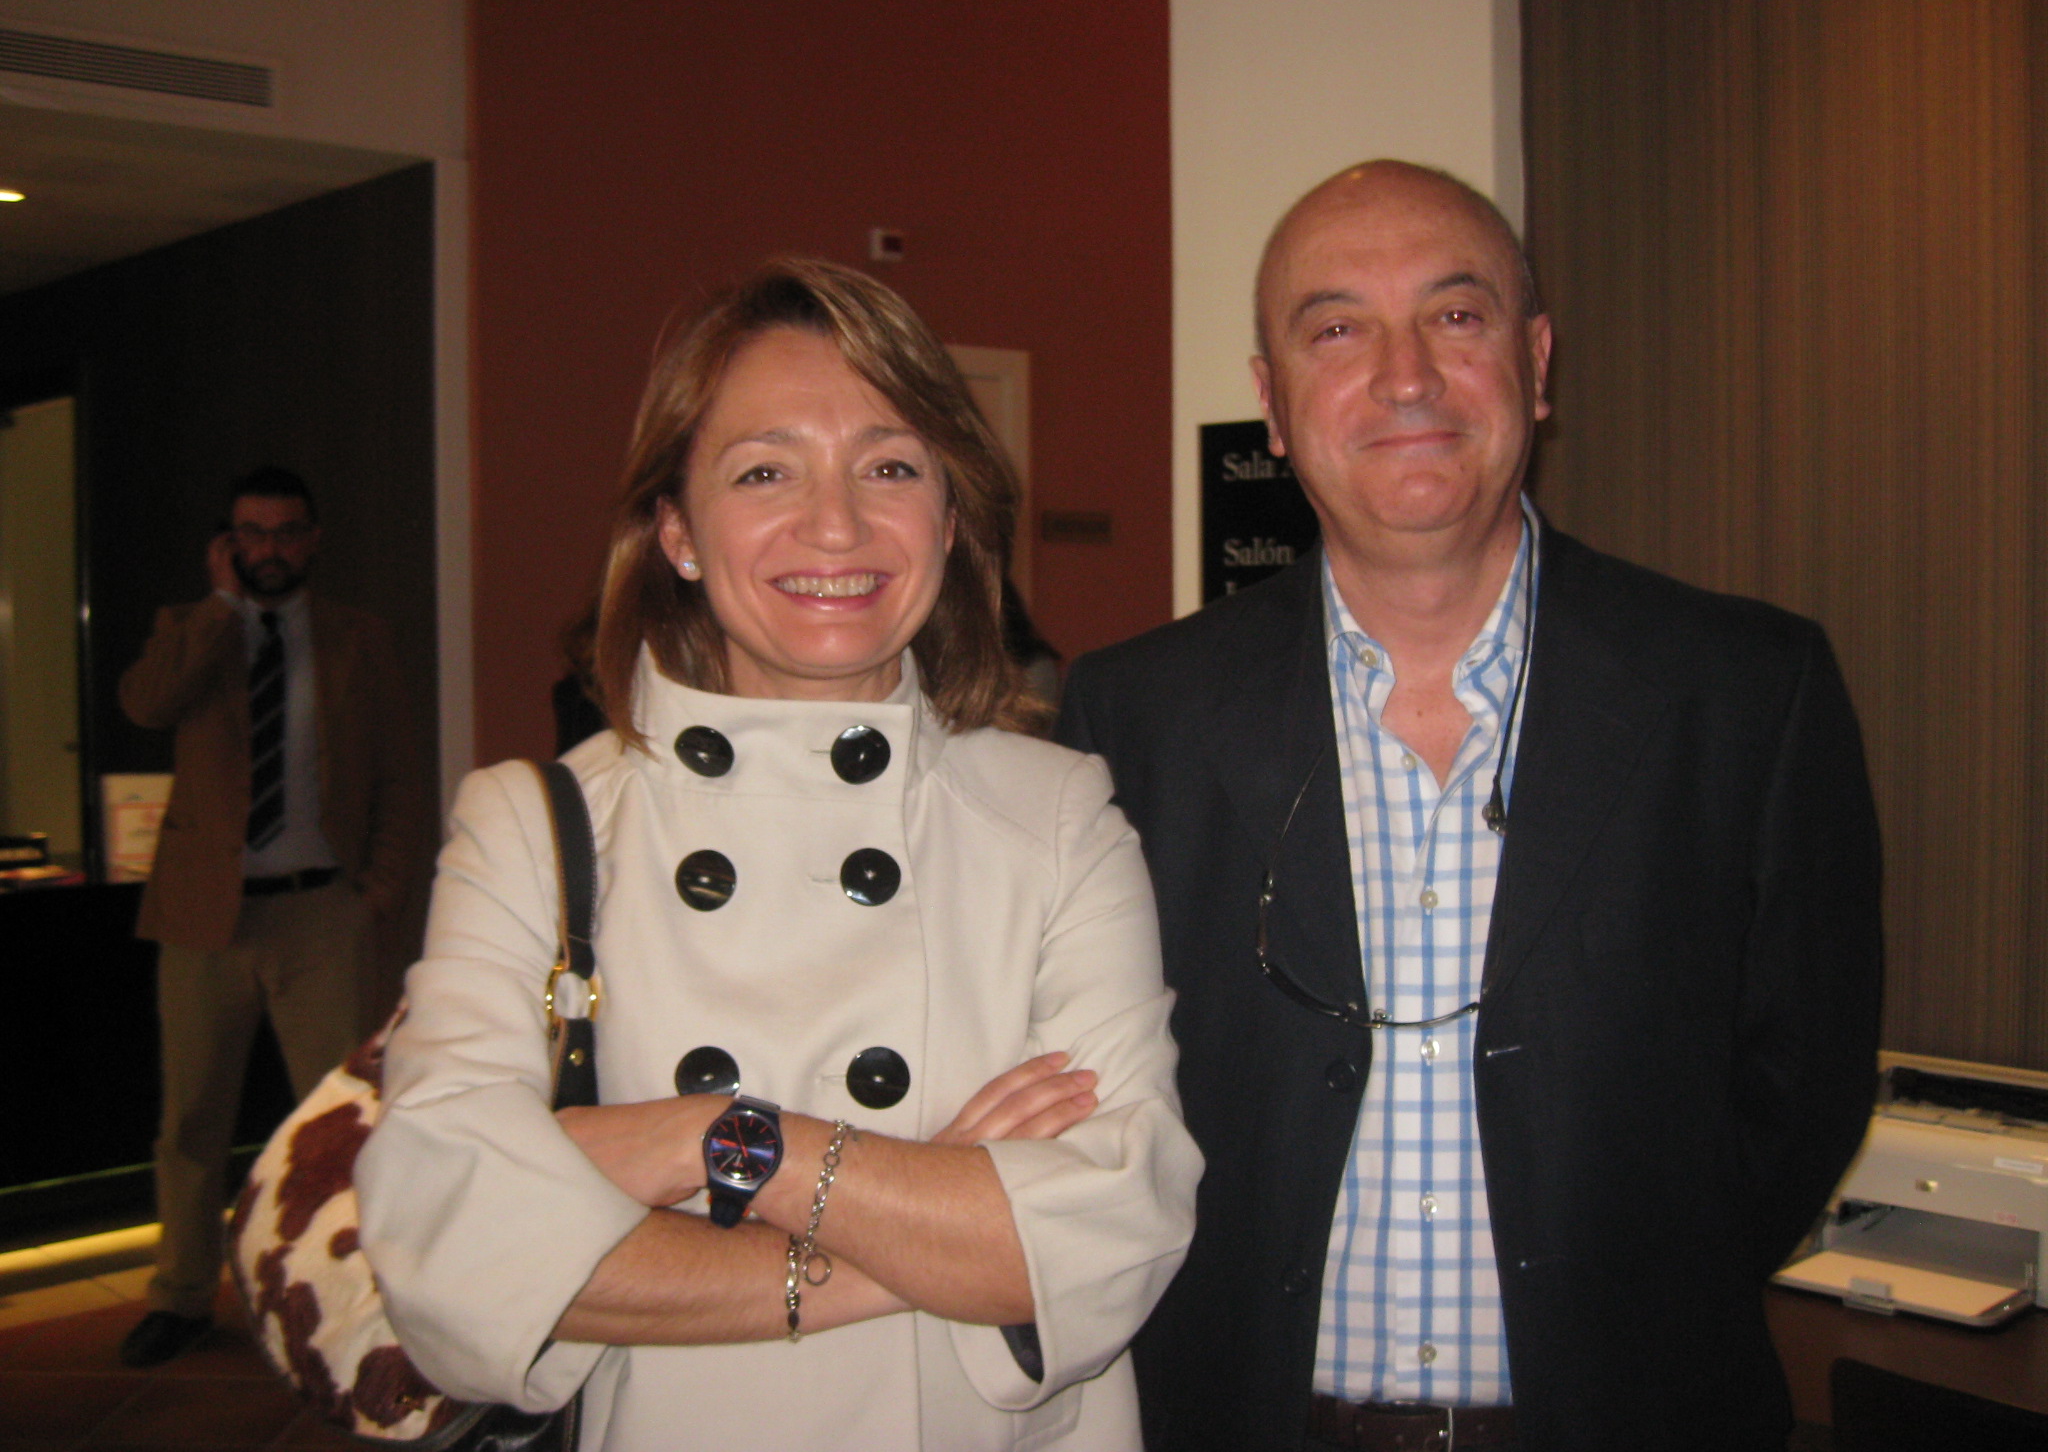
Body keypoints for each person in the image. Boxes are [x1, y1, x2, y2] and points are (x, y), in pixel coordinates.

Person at [1057, 161, 1882, 1451]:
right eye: (1336, 330)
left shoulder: (1744, 692)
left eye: (1453, 316)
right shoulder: (1135, 716)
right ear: (1271, 404)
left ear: (1533, 364)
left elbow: (1801, 1088)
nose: (1403, 378)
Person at [356, 258, 1201, 1450]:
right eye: (764, 471)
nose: (835, 525)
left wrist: (707, 1141)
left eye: (889, 467)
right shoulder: (529, 827)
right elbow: (449, 1254)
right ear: (676, 532)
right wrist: (923, 1221)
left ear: (949, 520)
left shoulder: (1058, 815)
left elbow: (1110, 1242)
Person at [117, 465, 425, 1368]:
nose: (271, 549)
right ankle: (180, 1294)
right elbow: (146, 703)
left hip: (322, 915)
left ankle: (349, 1298)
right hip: (204, 920)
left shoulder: (357, 639)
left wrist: (377, 891)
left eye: (287, 532)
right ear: (229, 542)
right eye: (253, 533)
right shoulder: (190, 629)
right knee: (190, 1123)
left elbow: (399, 773)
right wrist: (221, 608)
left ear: (312, 540)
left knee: (342, 1125)